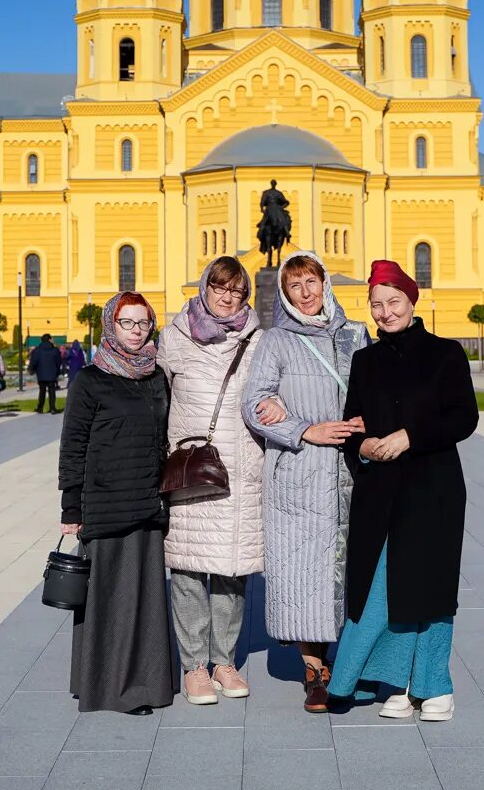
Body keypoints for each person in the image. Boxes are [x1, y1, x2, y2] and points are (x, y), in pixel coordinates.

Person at [328, 260, 478, 721]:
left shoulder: (446, 353)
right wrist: (364, 445)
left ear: (412, 301)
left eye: (394, 302)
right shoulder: (364, 360)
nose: (386, 312)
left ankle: (435, 686)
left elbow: (463, 417)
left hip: (433, 488)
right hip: (380, 489)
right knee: (382, 587)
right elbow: (354, 423)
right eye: (377, 304)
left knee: (429, 586)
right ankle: (396, 681)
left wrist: (410, 436)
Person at [240, 250, 368, 712]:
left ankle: (351, 660)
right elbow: (253, 401)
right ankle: (315, 670)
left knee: (352, 569)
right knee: (305, 575)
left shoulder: (355, 335)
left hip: (354, 474)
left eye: (310, 281)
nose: (305, 292)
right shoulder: (276, 341)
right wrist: (302, 429)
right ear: (285, 294)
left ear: (324, 282)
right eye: (294, 286)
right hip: (301, 475)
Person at [59, 292, 175, 714]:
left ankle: (143, 682)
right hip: (105, 504)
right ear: (111, 325)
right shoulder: (91, 379)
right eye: (128, 323)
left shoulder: (155, 376)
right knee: (110, 598)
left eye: (143, 323)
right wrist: (71, 507)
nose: (136, 331)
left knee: (143, 599)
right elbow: (73, 444)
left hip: (147, 501)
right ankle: (113, 690)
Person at [159, 256, 265, 706]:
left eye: (237, 291)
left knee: (231, 570)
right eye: (220, 288)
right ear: (206, 287)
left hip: (239, 468)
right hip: (188, 467)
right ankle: (194, 667)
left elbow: (268, 391)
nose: (227, 297)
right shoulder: (174, 336)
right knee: (186, 567)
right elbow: (155, 397)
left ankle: (224, 660)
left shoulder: (258, 339)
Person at [30, 333, 63, 413]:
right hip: (52, 374)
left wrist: (32, 369)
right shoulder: (55, 350)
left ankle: (40, 407)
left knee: (42, 391)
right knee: (52, 391)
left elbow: (34, 361)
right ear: (49, 340)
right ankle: (52, 408)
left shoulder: (37, 351)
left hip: (41, 374)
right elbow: (58, 362)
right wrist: (58, 372)